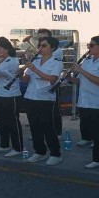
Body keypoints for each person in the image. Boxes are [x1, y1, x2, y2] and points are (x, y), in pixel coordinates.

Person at [68, 35, 99, 170]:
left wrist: (81, 71)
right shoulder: (87, 61)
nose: (89, 48)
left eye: (92, 45)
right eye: (89, 45)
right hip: (85, 101)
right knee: (93, 133)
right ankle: (97, 159)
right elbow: (81, 81)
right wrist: (69, 77)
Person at [22, 36, 64, 166]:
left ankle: (55, 154)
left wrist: (35, 70)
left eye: (44, 46)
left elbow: (52, 79)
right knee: (34, 126)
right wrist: (22, 72)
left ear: (52, 47)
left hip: (45, 98)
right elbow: (26, 79)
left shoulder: (57, 62)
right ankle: (39, 152)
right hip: (30, 96)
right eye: (39, 45)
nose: (40, 48)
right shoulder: (35, 60)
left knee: (47, 126)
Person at [0, 37, 24, 157]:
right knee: (2, 122)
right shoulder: (3, 61)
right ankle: (4, 145)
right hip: (1, 93)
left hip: (10, 95)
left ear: (6, 49)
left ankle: (18, 147)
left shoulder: (12, 61)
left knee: (13, 122)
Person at [36, 28, 63, 137]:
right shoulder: (39, 50)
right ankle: (41, 131)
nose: (40, 40)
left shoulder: (57, 51)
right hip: (38, 85)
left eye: (43, 37)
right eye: (39, 38)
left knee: (54, 109)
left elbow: (49, 62)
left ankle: (57, 131)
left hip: (51, 83)